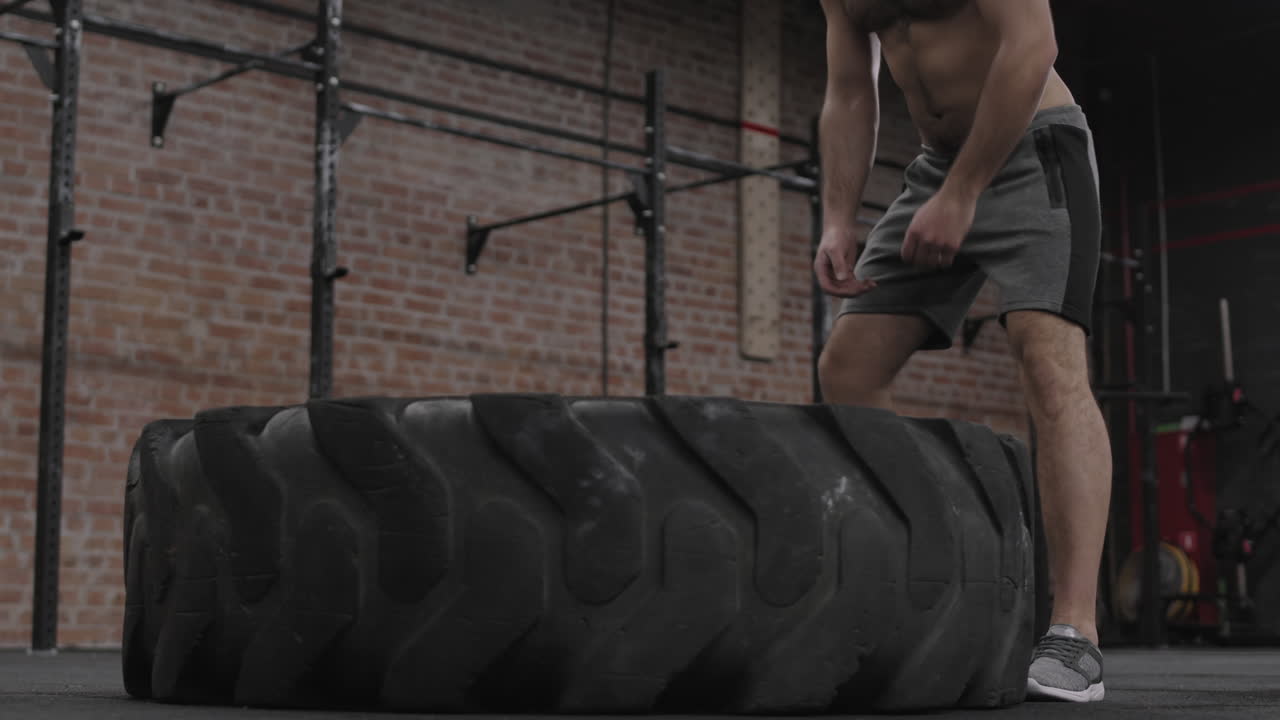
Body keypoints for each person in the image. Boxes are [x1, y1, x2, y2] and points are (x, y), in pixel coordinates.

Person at [816, 0, 1109, 703]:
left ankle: (1075, 634)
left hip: (1035, 146)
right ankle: (931, 581)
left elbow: (1033, 44)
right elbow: (851, 89)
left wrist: (964, 193)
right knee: (849, 368)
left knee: (1049, 365)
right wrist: (836, 215)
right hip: (938, 168)